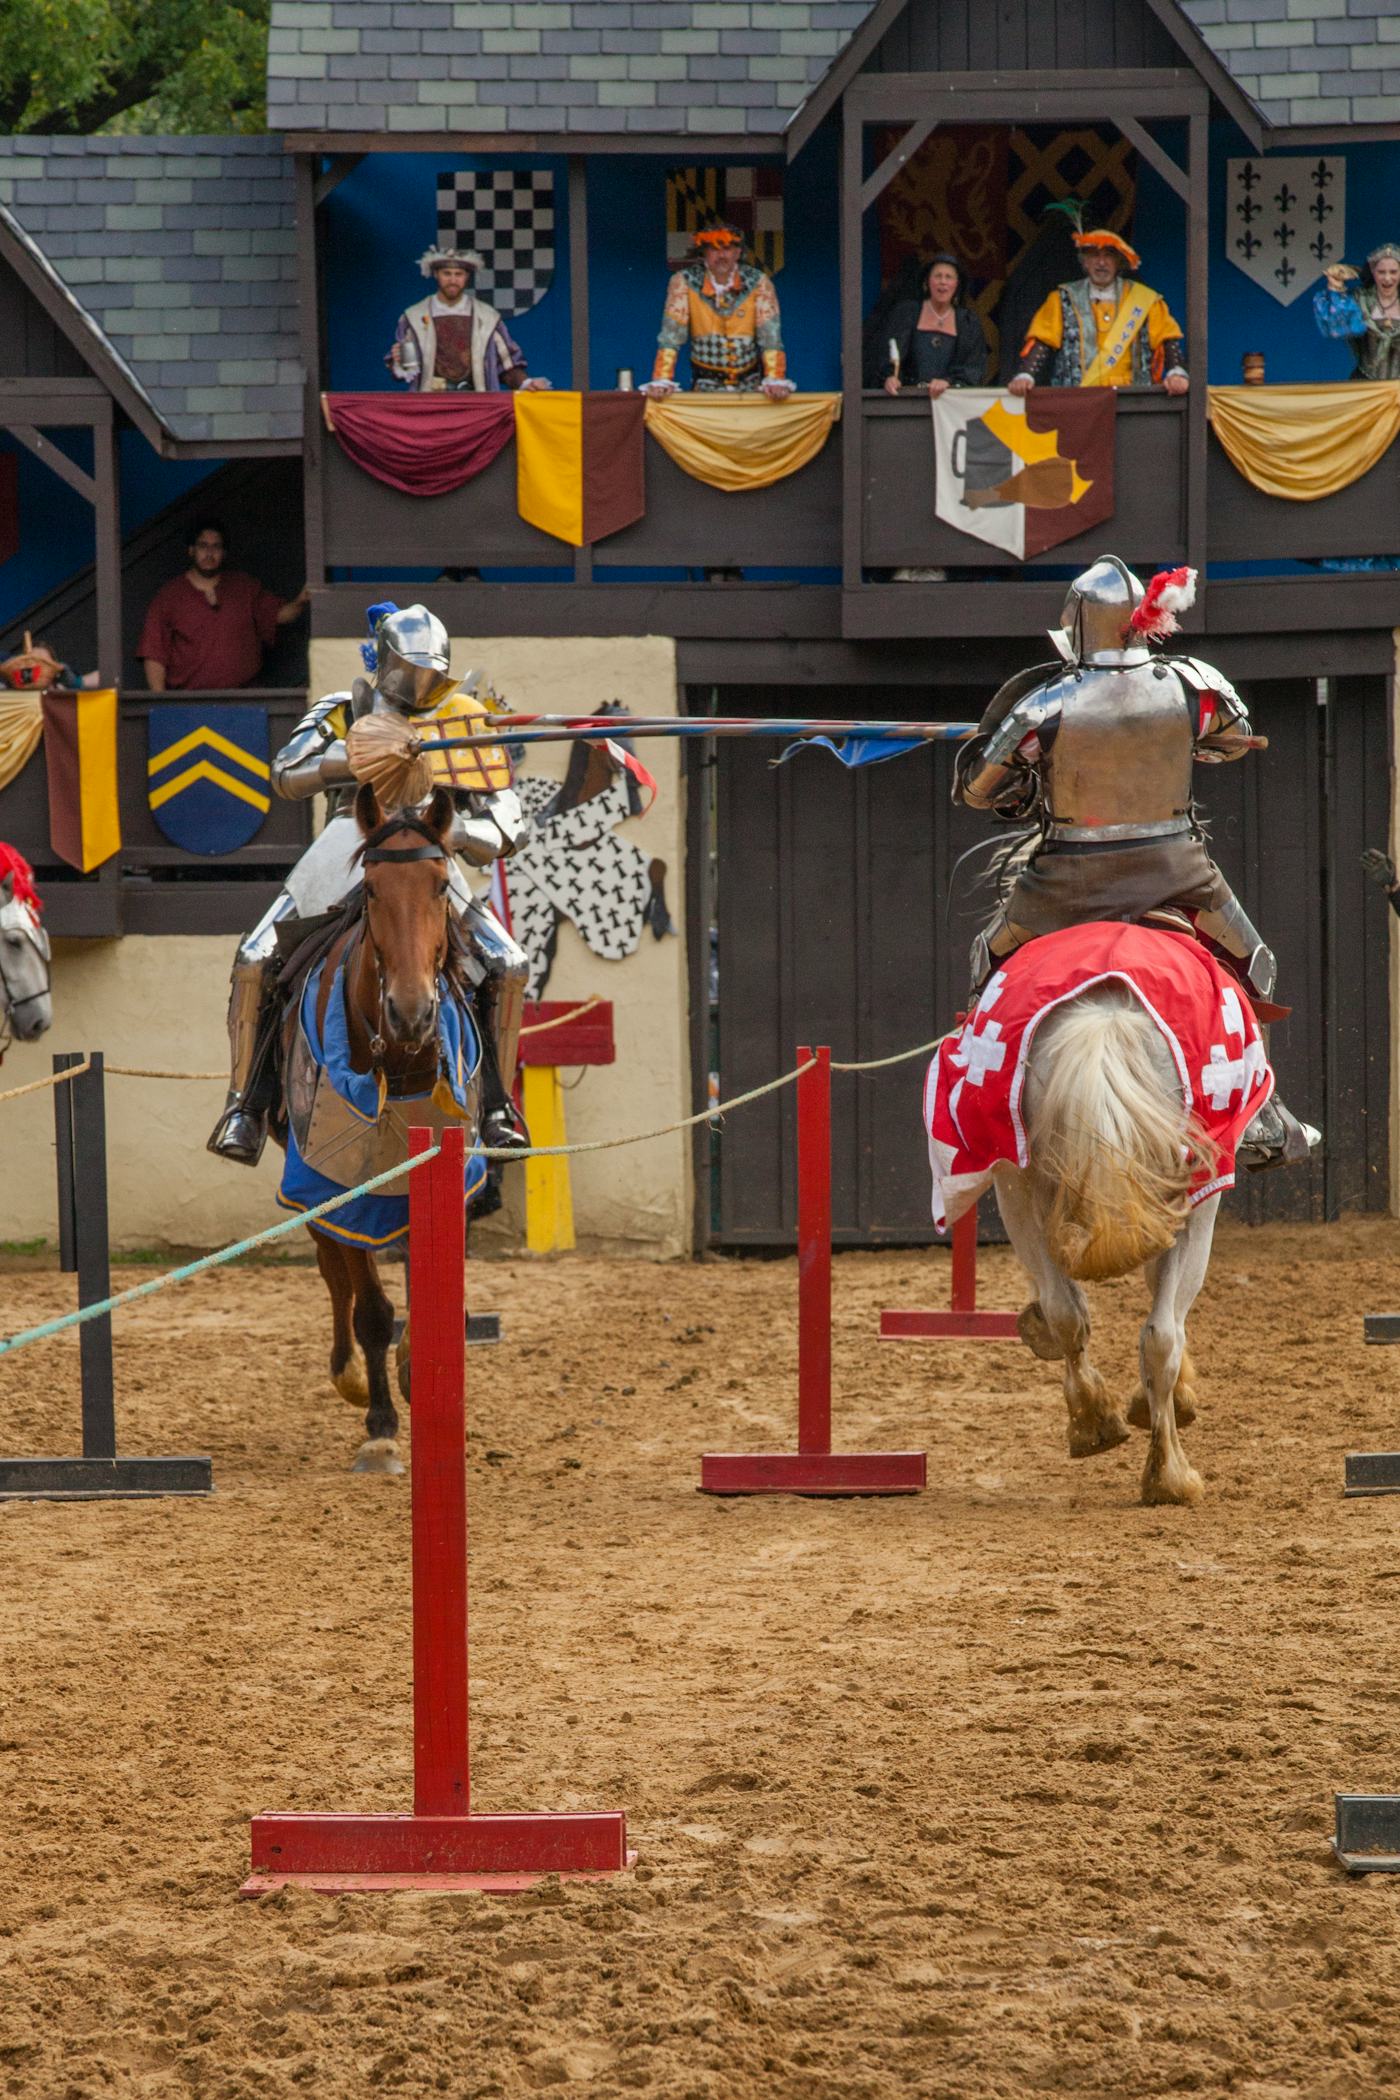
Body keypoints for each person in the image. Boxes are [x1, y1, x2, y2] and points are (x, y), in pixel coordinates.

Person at [953, 553, 1317, 1172]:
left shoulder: (1043, 704)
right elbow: (1234, 738)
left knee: (987, 963)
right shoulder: (1191, 682)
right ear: (1140, 622)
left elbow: (979, 793)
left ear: (1077, 623)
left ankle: (982, 1101)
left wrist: (1021, 782)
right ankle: (1260, 1115)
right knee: (1256, 965)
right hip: (1177, 872)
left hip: (1063, 883)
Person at [207, 602, 531, 1167]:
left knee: (508, 963)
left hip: (430, 848)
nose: (421, 682)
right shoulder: (344, 709)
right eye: (412, 666)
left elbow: (510, 819)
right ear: (385, 659)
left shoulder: (462, 720)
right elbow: (286, 773)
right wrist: (354, 758)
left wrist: (461, 832)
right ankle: (247, 1104)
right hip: (350, 840)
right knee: (257, 955)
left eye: (432, 670)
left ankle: (497, 1107)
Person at [1009, 221, 1188, 396]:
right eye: (1094, 255)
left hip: (1133, 400)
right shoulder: (1062, 298)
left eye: (1108, 255)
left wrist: (1177, 373)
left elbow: (1167, 339)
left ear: (1119, 261)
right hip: (1078, 402)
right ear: (1084, 262)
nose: (1101, 263)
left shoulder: (1145, 300)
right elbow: (1043, 342)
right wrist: (1026, 375)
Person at [139, 521, 307, 692]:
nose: (209, 553)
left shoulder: (244, 587)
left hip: (245, 701)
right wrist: (161, 705)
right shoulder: (169, 596)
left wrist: (301, 600)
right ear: (191, 550)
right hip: (188, 705)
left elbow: (279, 615)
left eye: (216, 547)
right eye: (203, 546)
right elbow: (154, 653)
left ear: (224, 553)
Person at [642, 223, 794, 398]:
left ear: (738, 252)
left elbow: (770, 337)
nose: (721, 255)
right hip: (705, 386)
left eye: (727, 249)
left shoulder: (758, 282)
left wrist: (775, 378)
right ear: (703, 252)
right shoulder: (684, 281)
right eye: (714, 249)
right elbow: (671, 337)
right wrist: (662, 380)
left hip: (751, 385)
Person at [387, 245, 550, 394]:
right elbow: (405, 369)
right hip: (430, 402)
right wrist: (400, 361)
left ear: (467, 277)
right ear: (436, 274)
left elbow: (506, 363)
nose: (452, 280)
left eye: (458, 274)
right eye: (446, 274)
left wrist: (526, 383)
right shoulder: (414, 316)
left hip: (475, 404)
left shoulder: (487, 317)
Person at [864, 253, 987, 396]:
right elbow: (887, 355)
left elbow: (973, 368)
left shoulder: (968, 322)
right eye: (937, 276)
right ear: (927, 281)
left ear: (957, 284)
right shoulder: (906, 313)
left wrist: (949, 382)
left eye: (949, 277)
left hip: (950, 405)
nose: (943, 281)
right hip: (908, 400)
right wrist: (890, 378)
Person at [1314, 244, 1400, 383]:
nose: (1387, 278)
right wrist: (1336, 286)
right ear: (1373, 272)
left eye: (1393, 272)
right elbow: (1335, 327)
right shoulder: (1360, 299)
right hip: (1365, 384)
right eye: (1381, 272)